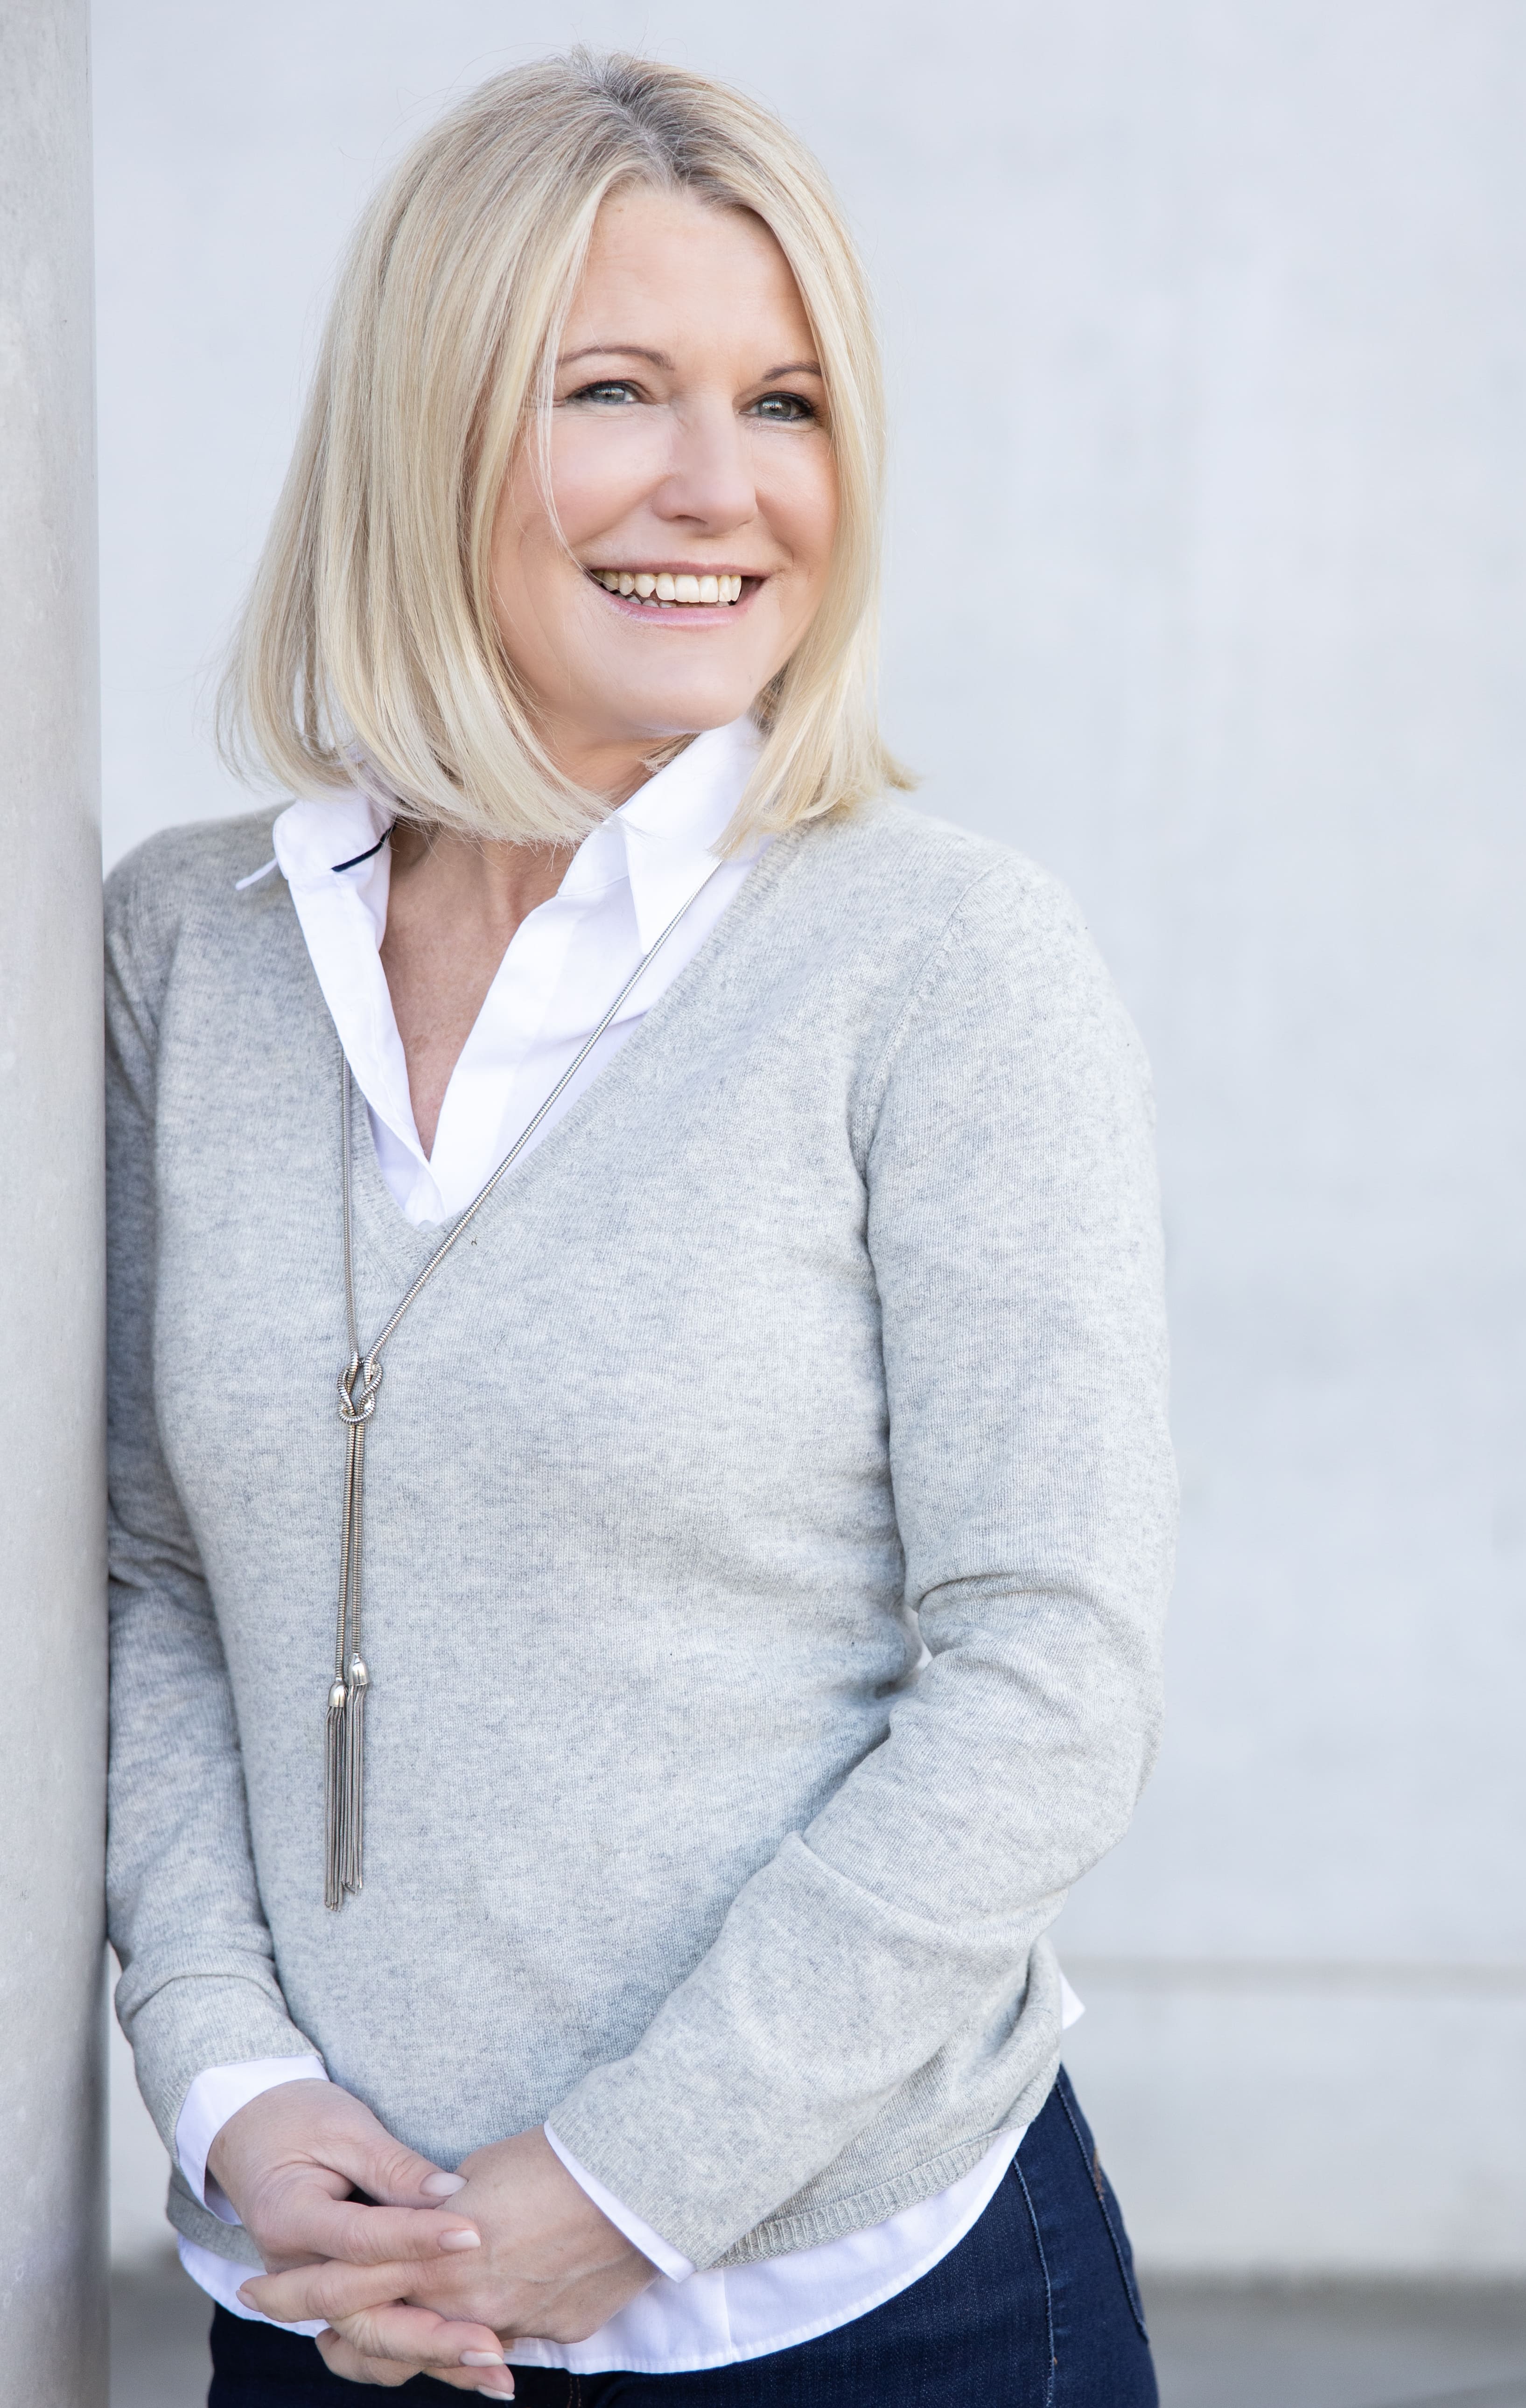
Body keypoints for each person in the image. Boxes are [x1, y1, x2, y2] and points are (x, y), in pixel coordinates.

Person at [105, 51, 1176, 2407]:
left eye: (785, 401)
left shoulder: (946, 962)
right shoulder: (187, 954)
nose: (724, 489)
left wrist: (622, 2187)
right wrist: (225, 2079)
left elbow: (1046, 1671)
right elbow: (155, 1581)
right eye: (616, 390)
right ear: (428, 428)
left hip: (873, 2314)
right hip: (343, 2308)